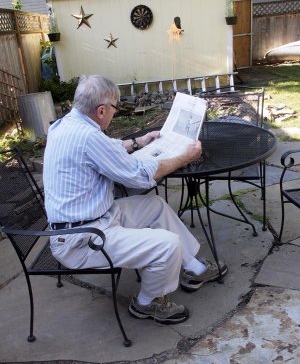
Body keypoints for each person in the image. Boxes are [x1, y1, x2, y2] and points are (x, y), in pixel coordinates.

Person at [43, 75, 227, 325]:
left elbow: (106, 147)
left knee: (155, 206)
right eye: (114, 109)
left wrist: (137, 142)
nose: (114, 114)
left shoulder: (67, 125)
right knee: (167, 244)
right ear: (101, 110)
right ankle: (146, 302)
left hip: (92, 220)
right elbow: (138, 177)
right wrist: (183, 158)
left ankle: (194, 268)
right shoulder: (88, 137)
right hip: (83, 239)